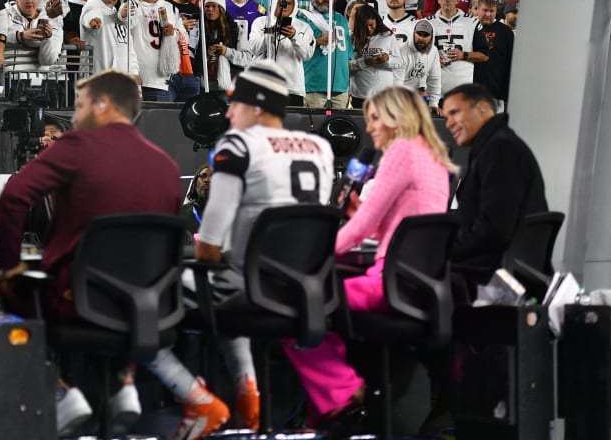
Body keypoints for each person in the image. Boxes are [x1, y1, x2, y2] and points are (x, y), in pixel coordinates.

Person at [0, 70, 230, 440]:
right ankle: (123, 383)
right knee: (118, 295)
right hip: (148, 304)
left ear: (103, 105)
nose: (74, 117)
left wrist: (8, 266)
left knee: (7, 295)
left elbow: (12, 198)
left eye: (81, 105)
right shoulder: (167, 167)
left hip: (76, 302)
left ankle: (60, 391)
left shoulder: (74, 147)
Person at [284, 85, 455, 434]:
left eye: (375, 118)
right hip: (418, 284)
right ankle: (324, 411)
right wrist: (359, 214)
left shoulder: (402, 151)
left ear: (397, 118)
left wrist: (314, 253)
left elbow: (362, 229)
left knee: (292, 301)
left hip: (391, 284)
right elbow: (399, 224)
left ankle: (342, 394)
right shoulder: (431, 155)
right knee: (321, 298)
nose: (371, 127)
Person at [191, 60, 333, 429]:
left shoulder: (238, 144)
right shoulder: (320, 147)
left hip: (247, 289)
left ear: (256, 107)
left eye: (235, 102)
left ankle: (198, 395)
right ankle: (248, 387)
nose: (228, 111)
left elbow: (209, 246)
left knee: (178, 285)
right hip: (307, 290)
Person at [441, 84, 548, 295]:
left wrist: (443, 249)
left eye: (454, 113)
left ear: (483, 109)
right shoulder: (495, 145)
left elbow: (494, 230)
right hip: (490, 270)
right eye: (445, 117)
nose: (449, 123)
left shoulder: (501, 149)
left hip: (488, 278)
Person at [246, 0, 315, 105]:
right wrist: (271, 34)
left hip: (292, 88)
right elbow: (254, 49)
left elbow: (307, 55)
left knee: (290, 124)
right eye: (281, 3)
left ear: (294, 5)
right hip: (261, 86)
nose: (285, 7)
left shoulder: (304, 27)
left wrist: (294, 37)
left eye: (289, 3)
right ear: (274, 2)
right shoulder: (261, 22)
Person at [428, 0, 489, 94]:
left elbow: (484, 55)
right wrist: (431, 58)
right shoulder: (427, 23)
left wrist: (464, 55)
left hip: (464, 90)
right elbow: (416, 53)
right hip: (434, 91)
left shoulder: (472, 22)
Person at [300, 0, 351, 109]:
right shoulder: (303, 17)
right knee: (313, 127)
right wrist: (317, 41)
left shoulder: (341, 19)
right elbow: (295, 47)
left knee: (339, 127)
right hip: (313, 85)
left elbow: (348, 55)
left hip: (340, 87)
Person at [347, 4, 402, 108]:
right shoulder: (351, 39)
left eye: (371, 25)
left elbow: (399, 62)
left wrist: (387, 60)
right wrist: (364, 62)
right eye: (364, 26)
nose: (368, 29)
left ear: (377, 21)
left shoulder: (387, 36)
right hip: (360, 96)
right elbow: (346, 66)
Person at [470, 0, 514, 110]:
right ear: (478, 9)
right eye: (485, 10)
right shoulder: (468, 27)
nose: (488, 14)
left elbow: (510, 64)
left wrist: (506, 92)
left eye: (492, 11)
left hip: (496, 92)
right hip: (471, 90)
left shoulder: (506, 32)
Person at [396, 19, 444, 110]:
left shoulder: (433, 51)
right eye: (419, 34)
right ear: (413, 33)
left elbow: (435, 79)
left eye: (425, 35)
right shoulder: (401, 52)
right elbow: (396, 84)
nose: (421, 38)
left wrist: (433, 103)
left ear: (431, 37)